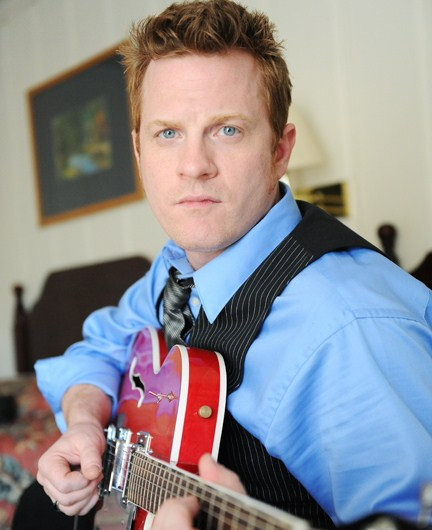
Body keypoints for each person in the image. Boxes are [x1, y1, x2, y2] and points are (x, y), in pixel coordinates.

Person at [18, 0, 432, 529]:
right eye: (168, 133)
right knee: (36, 505)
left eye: (227, 130)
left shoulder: (347, 327)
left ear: (280, 151)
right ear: (139, 154)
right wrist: (83, 422)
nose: (194, 166)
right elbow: (100, 347)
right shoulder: (178, 267)